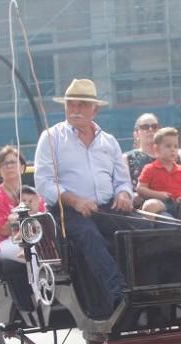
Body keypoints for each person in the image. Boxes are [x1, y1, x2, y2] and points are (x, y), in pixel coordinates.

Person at [35, 78, 135, 324]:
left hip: (106, 207)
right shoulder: (51, 138)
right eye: (71, 105)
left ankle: (155, 288)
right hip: (67, 212)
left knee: (143, 230)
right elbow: (45, 182)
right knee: (89, 236)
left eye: (81, 105)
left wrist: (124, 194)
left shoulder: (108, 141)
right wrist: (75, 200)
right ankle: (119, 296)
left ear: (95, 110)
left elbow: (123, 181)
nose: (75, 110)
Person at [0, 146, 46, 263]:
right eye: (4, 163)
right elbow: (3, 231)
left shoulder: (32, 194)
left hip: (33, 238)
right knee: (32, 251)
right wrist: (25, 218)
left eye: (13, 162)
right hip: (4, 243)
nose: (9, 166)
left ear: (22, 167)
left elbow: (43, 221)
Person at [124, 112, 161, 189]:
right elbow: (124, 189)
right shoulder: (127, 158)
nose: (150, 130)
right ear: (136, 134)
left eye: (154, 126)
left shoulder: (175, 158)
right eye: (145, 127)